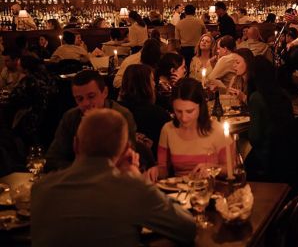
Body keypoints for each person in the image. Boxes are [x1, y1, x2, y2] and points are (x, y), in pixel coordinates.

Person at [32, 108, 196, 247]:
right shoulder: (132, 190)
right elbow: (187, 229)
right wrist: (137, 178)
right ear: (125, 150)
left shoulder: (40, 189)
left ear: (75, 145)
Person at [245, 56, 298, 194]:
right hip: (287, 159)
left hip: (267, 160)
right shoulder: (283, 94)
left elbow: (255, 137)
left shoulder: (256, 98)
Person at [46, 70, 136, 171]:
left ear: (105, 92)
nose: (85, 103)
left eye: (91, 96)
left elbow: (128, 159)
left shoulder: (121, 116)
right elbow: (52, 159)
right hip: (78, 181)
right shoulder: (71, 117)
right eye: (80, 99)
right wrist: (83, 171)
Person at [157, 78, 231, 178]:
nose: (184, 118)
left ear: (201, 107)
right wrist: (155, 171)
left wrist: (212, 168)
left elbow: (232, 169)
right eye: (178, 111)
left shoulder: (217, 130)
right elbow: (163, 170)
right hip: (179, 191)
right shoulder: (168, 130)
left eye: (190, 111)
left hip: (211, 189)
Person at [119, 64, 170, 157]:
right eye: (152, 80)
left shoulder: (116, 111)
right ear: (145, 85)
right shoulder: (159, 115)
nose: (154, 84)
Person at [8, 55, 59, 147]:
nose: (17, 66)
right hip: (53, 115)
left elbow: (13, 98)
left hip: (36, 118)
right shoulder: (48, 76)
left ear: (25, 68)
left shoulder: (29, 80)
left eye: (19, 65)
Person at [175, 4, 207, 72]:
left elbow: (177, 40)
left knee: (186, 68)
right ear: (194, 12)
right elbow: (205, 35)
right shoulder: (200, 22)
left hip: (184, 49)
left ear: (185, 12)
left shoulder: (179, 23)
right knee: (197, 67)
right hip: (197, 48)